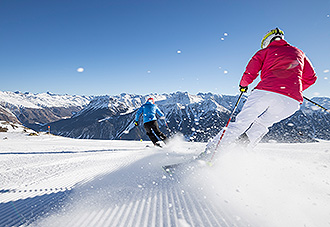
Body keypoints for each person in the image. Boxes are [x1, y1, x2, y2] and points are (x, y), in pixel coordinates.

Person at [209, 28, 317, 150]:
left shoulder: (266, 51)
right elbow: (311, 78)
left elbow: (250, 72)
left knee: (241, 124)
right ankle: (239, 151)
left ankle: (211, 152)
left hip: (266, 92)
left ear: (267, 41)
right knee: (261, 125)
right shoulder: (299, 53)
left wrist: (243, 85)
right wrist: (294, 88)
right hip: (291, 101)